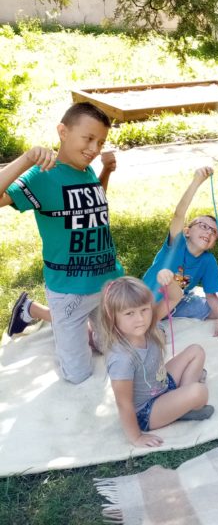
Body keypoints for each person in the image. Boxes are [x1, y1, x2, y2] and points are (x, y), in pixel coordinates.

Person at [1, 102, 123, 383]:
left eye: (100, 142)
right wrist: (27, 159)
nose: (94, 149)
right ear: (63, 132)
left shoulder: (86, 169)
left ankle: (42, 313)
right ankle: (35, 310)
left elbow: (91, 203)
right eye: (88, 138)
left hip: (106, 282)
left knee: (110, 347)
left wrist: (106, 171)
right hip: (69, 289)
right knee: (78, 375)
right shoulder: (42, 174)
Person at [100, 276, 213, 447]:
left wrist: (168, 280)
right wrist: (136, 437)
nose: (140, 318)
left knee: (196, 351)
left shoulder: (148, 324)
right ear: (112, 317)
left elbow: (175, 297)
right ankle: (184, 403)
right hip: (147, 411)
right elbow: (124, 403)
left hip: (162, 383)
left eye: (144, 309)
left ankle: (182, 404)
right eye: (129, 313)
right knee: (199, 391)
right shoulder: (121, 358)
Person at [142, 167, 218, 336]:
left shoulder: (208, 261)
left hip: (176, 303)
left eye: (213, 232)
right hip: (147, 301)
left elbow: (211, 295)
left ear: (213, 243)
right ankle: (154, 322)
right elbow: (179, 214)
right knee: (152, 334)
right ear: (187, 231)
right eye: (203, 226)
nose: (208, 232)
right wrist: (197, 181)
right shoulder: (177, 243)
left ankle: (170, 313)